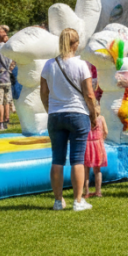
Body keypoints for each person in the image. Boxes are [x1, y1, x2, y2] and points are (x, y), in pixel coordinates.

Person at [40, 28, 101, 211]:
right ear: (76, 44)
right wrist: (93, 114)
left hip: (56, 114)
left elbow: (43, 92)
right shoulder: (82, 65)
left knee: (57, 159)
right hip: (77, 114)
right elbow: (89, 94)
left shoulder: (49, 65)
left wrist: (50, 110)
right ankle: (78, 200)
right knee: (77, 159)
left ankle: (58, 201)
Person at [83, 114, 106, 198]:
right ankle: (98, 191)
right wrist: (101, 139)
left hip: (86, 144)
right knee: (97, 170)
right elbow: (106, 131)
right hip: (97, 144)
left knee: (86, 171)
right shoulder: (101, 118)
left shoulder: (85, 118)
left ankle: (86, 192)